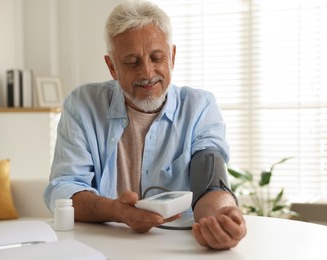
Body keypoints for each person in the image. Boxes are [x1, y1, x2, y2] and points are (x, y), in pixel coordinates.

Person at [44, 0, 246, 250]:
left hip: (177, 247)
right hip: (101, 245)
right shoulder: (82, 105)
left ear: (172, 56)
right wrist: (117, 211)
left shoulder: (200, 106)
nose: (147, 73)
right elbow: (63, 190)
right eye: (132, 62)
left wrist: (223, 216)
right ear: (112, 67)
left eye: (157, 57)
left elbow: (210, 182)